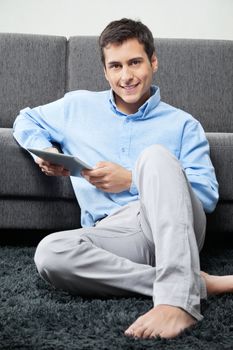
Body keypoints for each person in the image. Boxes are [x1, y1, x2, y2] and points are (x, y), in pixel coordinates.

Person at [13, 18, 233, 340]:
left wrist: (132, 180)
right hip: (113, 233)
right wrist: (44, 150)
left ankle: (177, 301)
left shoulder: (183, 124)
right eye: (115, 66)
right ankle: (194, 281)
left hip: (171, 225)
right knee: (50, 252)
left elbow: (206, 196)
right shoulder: (77, 106)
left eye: (135, 62)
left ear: (153, 61)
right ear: (105, 71)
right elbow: (26, 118)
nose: (126, 76)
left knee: (155, 156)